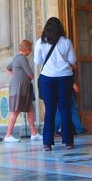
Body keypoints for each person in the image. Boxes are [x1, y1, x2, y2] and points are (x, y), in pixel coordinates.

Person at [35, 17, 76, 151]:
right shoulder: (66, 42)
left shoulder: (40, 43)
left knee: (50, 110)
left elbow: (37, 61)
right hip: (65, 77)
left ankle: (47, 143)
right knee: (65, 109)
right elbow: (72, 60)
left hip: (47, 77)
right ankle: (68, 142)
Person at [3, 40, 40, 143]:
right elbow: (30, 74)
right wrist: (19, 77)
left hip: (23, 89)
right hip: (19, 89)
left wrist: (16, 75)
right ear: (26, 49)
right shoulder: (23, 58)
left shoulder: (16, 58)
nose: (31, 51)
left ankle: (34, 133)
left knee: (30, 110)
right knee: (15, 112)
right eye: (30, 49)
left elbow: (8, 68)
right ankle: (8, 135)